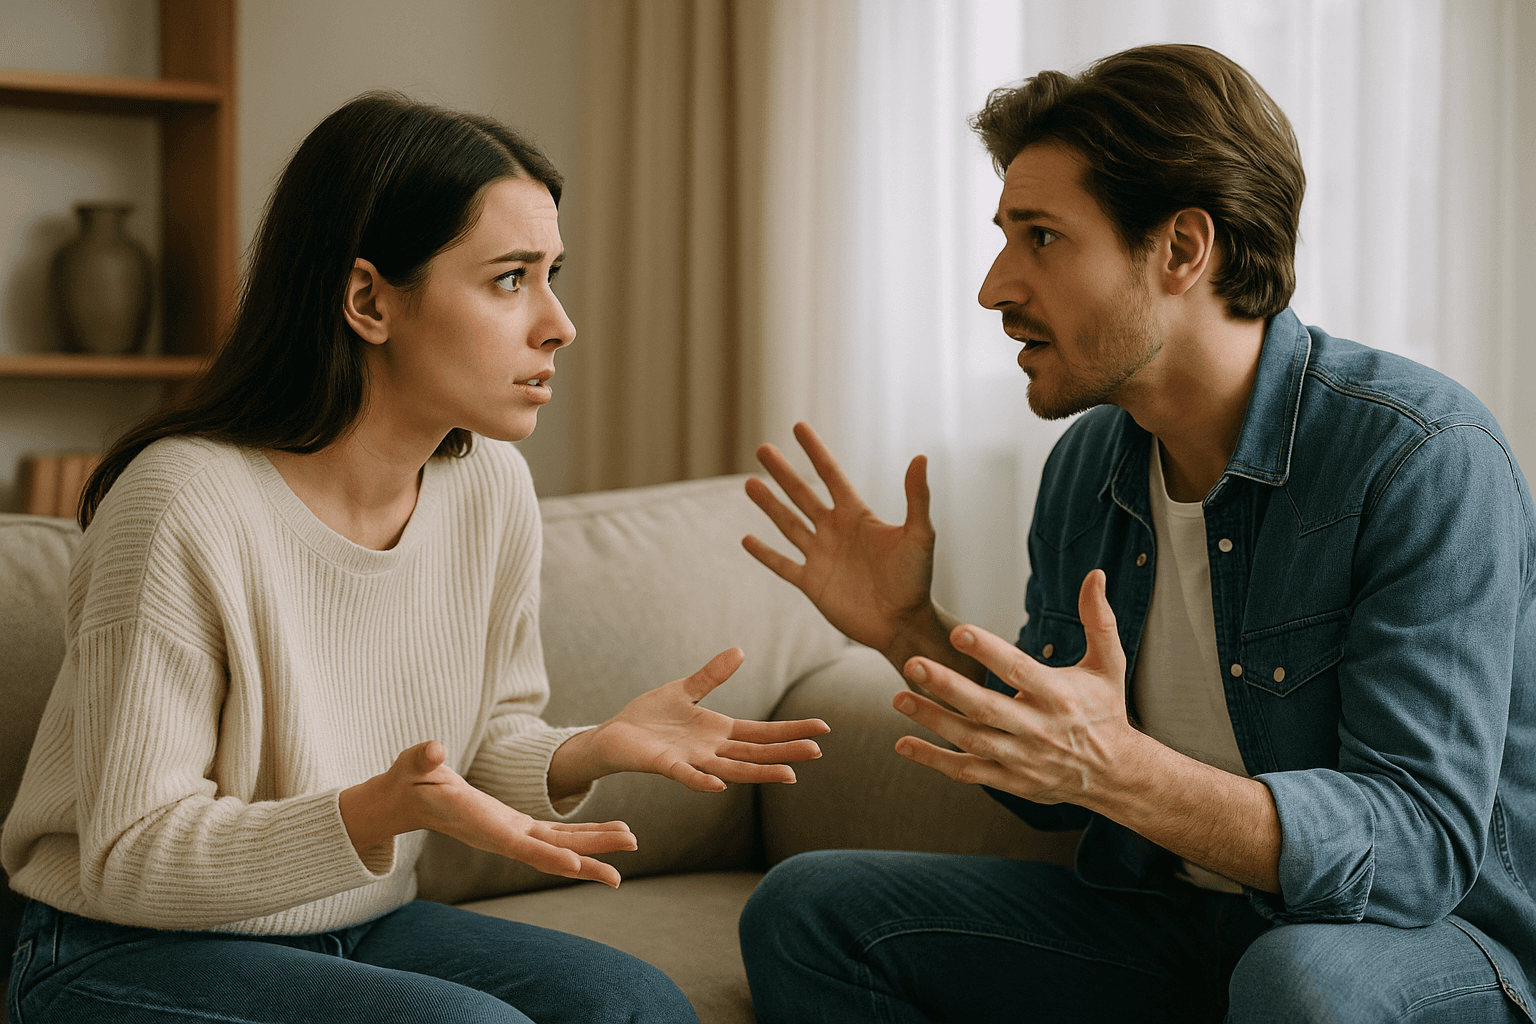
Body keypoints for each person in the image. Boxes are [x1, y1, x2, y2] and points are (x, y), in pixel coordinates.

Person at [736, 43, 1535, 1024]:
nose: (993, 286)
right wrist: (908, 628)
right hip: (1172, 925)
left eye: (1041, 237)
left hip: (1430, 948)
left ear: (1183, 249)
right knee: (807, 912)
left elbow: (1420, 848)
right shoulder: (1089, 468)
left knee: (1294, 984)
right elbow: (1056, 789)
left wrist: (1125, 770)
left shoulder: (1420, 455)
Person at [1, 93, 829, 1024]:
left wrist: (588, 749)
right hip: (111, 947)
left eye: (554, 274)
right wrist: (369, 813)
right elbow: (130, 857)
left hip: (355, 921)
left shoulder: (491, 489)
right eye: (511, 279)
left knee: (630, 1003)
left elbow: (474, 750)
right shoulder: (182, 503)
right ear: (368, 300)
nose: (558, 324)